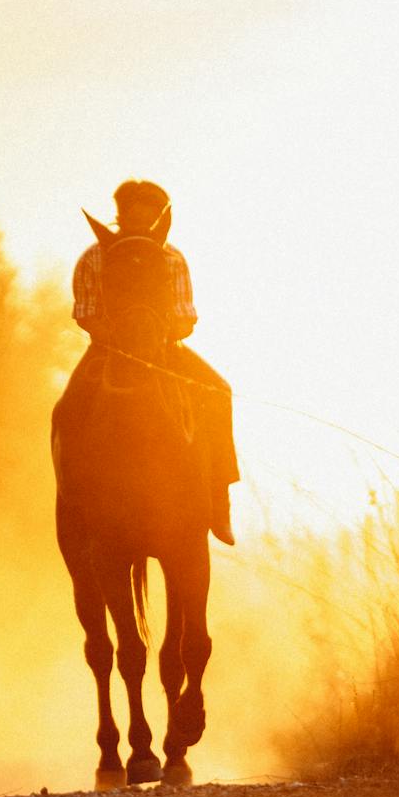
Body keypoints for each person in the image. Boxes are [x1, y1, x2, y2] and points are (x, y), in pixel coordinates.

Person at [66, 179, 239, 545]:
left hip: (163, 352)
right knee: (67, 408)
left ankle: (218, 500)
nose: (141, 221)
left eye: (150, 216)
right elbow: (85, 312)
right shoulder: (93, 258)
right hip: (108, 350)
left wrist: (158, 335)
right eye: (134, 213)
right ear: (121, 214)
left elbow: (185, 315)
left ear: (158, 219)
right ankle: (73, 501)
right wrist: (119, 339)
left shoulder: (172, 258)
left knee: (220, 391)